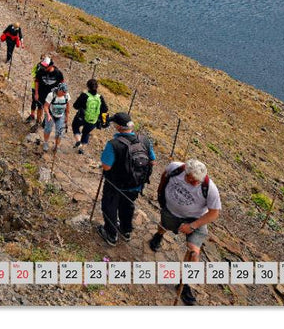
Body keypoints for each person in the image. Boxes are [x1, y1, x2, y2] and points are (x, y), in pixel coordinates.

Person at [150, 159, 222, 306]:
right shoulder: (175, 168)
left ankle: (184, 284)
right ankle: (158, 236)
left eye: (199, 181)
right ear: (186, 174)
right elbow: (164, 175)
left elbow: (214, 213)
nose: (196, 183)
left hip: (196, 219)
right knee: (163, 225)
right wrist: (160, 194)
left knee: (194, 252)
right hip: (171, 212)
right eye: (193, 180)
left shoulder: (210, 188)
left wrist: (193, 225)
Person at [98, 112, 155, 247]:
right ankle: (126, 231)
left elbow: (106, 167)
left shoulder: (114, 144)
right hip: (136, 184)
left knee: (110, 206)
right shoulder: (144, 140)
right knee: (128, 206)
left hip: (115, 184)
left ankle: (111, 234)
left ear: (118, 127)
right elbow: (152, 160)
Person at [72, 79, 109, 154]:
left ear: (87, 86)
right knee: (86, 133)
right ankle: (81, 150)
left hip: (81, 117)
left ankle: (78, 141)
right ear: (97, 87)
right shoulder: (100, 97)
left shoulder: (84, 95)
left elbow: (75, 106)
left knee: (75, 126)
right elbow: (105, 109)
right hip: (93, 120)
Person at [27, 56, 65, 125]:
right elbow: (36, 81)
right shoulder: (41, 71)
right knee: (39, 106)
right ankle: (38, 122)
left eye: (46, 67)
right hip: (41, 92)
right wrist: (36, 93)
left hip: (51, 94)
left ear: (51, 65)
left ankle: (45, 121)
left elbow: (62, 83)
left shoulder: (58, 73)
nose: (44, 68)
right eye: (43, 66)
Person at [42, 83, 70, 153]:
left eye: (65, 92)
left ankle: (56, 146)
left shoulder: (66, 96)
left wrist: (67, 116)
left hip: (61, 115)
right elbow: (45, 106)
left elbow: (67, 106)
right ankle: (45, 143)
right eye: (63, 92)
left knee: (59, 132)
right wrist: (48, 115)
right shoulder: (51, 95)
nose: (64, 93)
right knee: (48, 129)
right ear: (59, 90)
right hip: (51, 114)